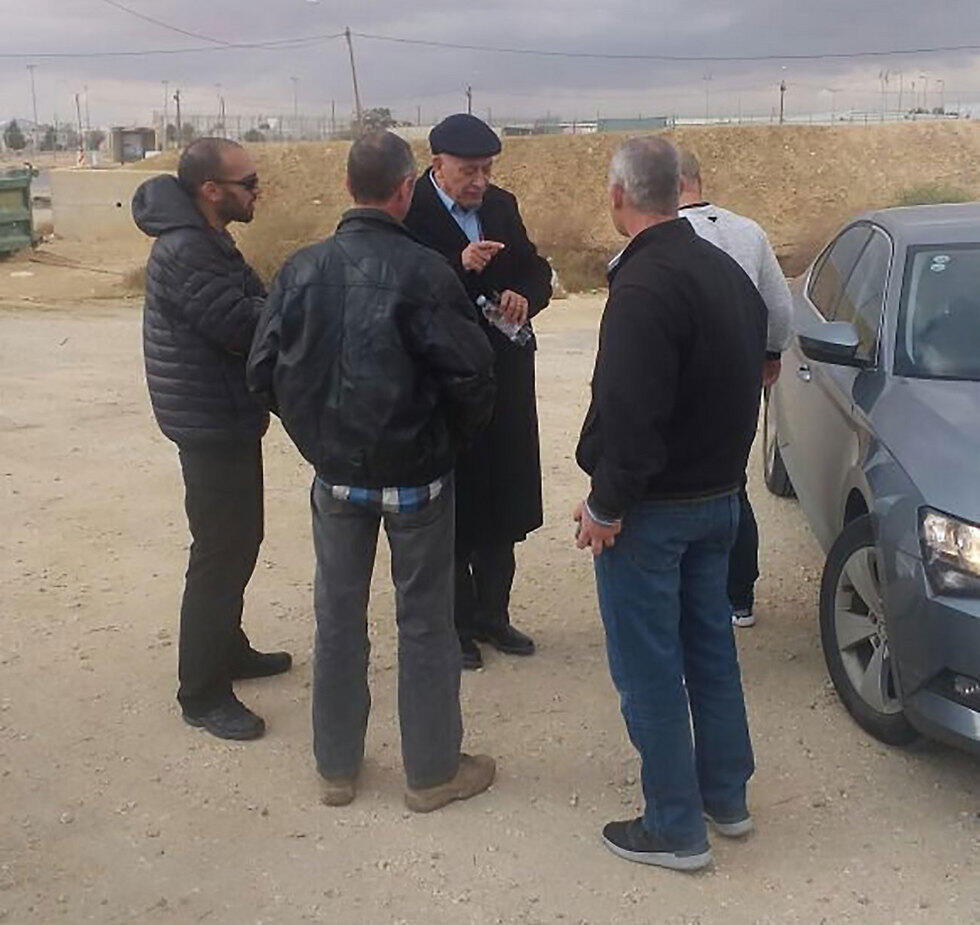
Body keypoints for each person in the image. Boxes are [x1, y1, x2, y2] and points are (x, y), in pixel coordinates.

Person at [248, 131, 497, 811]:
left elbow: (262, 371)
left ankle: (337, 768)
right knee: (425, 623)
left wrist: (318, 437)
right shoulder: (426, 272)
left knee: (337, 617)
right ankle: (431, 773)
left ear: (348, 186)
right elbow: (474, 375)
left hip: (337, 478)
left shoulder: (300, 269)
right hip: (417, 480)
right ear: (405, 189)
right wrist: (445, 442)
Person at [574, 136, 767, 871]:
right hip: (719, 498)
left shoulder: (644, 286)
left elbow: (630, 416)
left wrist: (605, 506)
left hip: (654, 513)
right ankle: (726, 796)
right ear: (680, 188)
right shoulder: (725, 269)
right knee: (710, 651)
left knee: (649, 667)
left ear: (618, 196)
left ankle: (674, 826)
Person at [133, 138, 291, 742]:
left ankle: (228, 647)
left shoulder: (207, 239)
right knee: (221, 550)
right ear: (210, 190)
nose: (257, 191)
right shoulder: (186, 250)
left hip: (224, 413)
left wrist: (275, 306)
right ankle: (201, 692)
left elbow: (259, 298)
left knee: (239, 539)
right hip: (208, 420)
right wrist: (292, 312)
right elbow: (244, 322)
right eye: (247, 183)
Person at [404, 113, 552, 670]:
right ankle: (456, 625)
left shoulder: (502, 206)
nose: (479, 181)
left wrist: (524, 296)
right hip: (443, 386)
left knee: (502, 501)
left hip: (504, 378)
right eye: (469, 171)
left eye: (487, 169)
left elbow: (536, 270)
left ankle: (494, 614)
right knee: (454, 509)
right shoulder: (411, 211)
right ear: (437, 164)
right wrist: (457, 264)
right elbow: (402, 285)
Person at [678, 149, 793, 628]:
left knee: (677, 490)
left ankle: (685, 592)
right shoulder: (749, 231)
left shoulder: (658, 239)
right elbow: (780, 307)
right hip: (740, 378)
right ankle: (739, 596)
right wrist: (771, 354)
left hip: (683, 382)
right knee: (733, 484)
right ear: (698, 180)